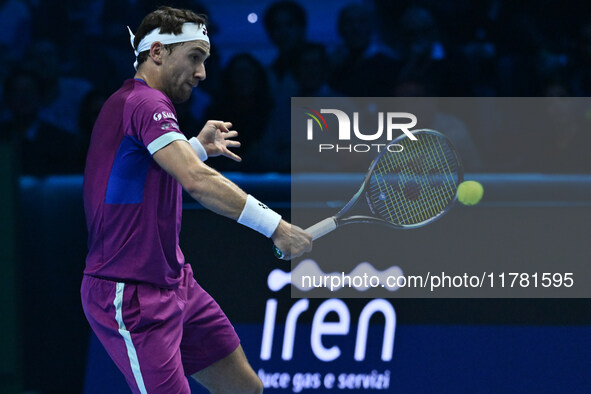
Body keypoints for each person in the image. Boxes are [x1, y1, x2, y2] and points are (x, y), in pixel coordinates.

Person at [80, 6, 312, 394]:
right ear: (157, 52)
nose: (202, 73)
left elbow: (142, 170)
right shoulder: (144, 103)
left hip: (176, 284)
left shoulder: (141, 105)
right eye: (194, 58)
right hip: (130, 294)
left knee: (245, 388)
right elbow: (197, 182)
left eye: (204, 60)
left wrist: (194, 148)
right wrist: (278, 228)